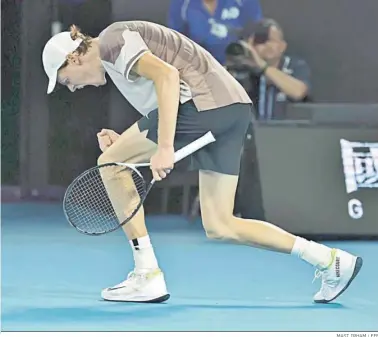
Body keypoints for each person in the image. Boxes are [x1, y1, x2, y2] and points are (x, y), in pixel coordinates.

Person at [42, 21, 363, 304]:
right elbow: (162, 101)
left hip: (205, 106)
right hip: (232, 109)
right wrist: (126, 141)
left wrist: (163, 146)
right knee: (221, 225)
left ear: (73, 58)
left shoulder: (112, 40)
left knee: (109, 164)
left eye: (67, 80)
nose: (73, 87)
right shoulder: (116, 63)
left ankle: (146, 273)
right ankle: (330, 260)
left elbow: (168, 77)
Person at [225, 18, 312, 119]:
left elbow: (299, 92)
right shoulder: (245, 70)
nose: (267, 45)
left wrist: (262, 66)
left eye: (272, 41)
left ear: (283, 46)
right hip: (255, 131)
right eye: (261, 41)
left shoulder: (295, 65)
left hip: (288, 131)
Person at [168, 0, 263, 64]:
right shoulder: (181, 4)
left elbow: (257, 33)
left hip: (241, 68)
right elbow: (175, 43)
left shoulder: (244, 2)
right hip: (199, 69)